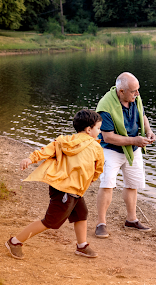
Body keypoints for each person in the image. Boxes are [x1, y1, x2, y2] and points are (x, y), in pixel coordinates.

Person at [5, 109, 104, 259]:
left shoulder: (65, 141)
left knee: (81, 214)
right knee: (50, 221)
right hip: (68, 189)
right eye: (98, 128)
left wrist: (30, 159)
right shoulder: (96, 147)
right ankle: (15, 241)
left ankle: (82, 246)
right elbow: (98, 169)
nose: (100, 131)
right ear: (89, 129)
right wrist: (91, 180)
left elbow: (46, 151)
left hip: (67, 188)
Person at [94, 72, 156, 238]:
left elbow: (142, 115)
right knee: (107, 184)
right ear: (121, 91)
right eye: (133, 91)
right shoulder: (105, 106)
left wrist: (149, 131)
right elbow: (108, 136)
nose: (137, 94)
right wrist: (134, 140)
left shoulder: (134, 97)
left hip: (133, 148)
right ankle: (101, 223)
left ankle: (131, 219)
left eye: (137, 90)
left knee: (132, 184)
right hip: (110, 149)